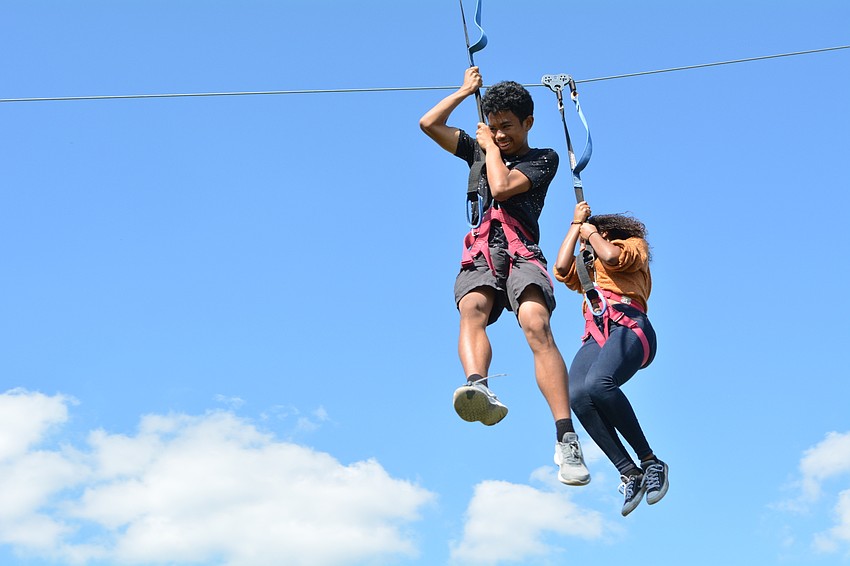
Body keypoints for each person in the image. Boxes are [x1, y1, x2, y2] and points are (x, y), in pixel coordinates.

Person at [419, 67, 590, 486]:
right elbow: (429, 124)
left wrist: (487, 150)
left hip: (521, 250)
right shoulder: (481, 148)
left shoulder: (542, 158)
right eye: (493, 128)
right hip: (481, 248)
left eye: (507, 127)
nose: (499, 135)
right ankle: (478, 386)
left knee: (536, 324)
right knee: (472, 307)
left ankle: (566, 436)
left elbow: (500, 187)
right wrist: (464, 91)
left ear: (528, 123)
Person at [553, 200, 669, 515]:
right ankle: (629, 472)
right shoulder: (588, 263)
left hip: (630, 324)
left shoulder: (632, 246)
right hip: (597, 333)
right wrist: (576, 225)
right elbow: (561, 269)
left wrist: (591, 233)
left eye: (593, 234)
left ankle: (650, 461)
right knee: (578, 394)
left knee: (599, 384)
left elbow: (613, 257)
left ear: (606, 231)